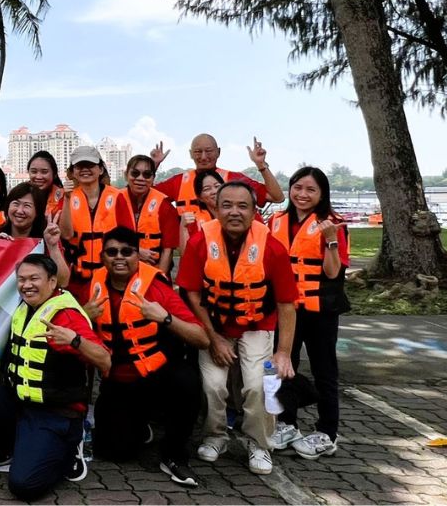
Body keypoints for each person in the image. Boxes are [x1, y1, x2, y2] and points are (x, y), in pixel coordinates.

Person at [0, 254, 110, 501]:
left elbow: (105, 360)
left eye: (34, 279)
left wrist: (75, 340)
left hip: (55, 411)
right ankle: (1, 453)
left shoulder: (67, 316)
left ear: (52, 282)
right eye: (21, 279)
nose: (26, 285)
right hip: (22, 400)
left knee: (24, 485)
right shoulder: (25, 307)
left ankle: (69, 451)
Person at [176, 181, 298, 476]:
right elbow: (191, 292)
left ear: (255, 211)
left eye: (243, 206)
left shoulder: (271, 247)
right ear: (215, 209)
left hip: (257, 324)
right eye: (227, 205)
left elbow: (286, 303)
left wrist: (284, 352)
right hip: (214, 325)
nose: (234, 212)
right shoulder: (199, 242)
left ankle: (260, 443)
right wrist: (213, 338)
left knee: (257, 385)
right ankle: (215, 436)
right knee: (213, 385)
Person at [86, 227, 209, 487]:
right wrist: (85, 316)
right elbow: (69, 331)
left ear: (137, 255)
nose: (119, 257)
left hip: (157, 376)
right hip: (119, 382)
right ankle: (141, 426)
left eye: (127, 252)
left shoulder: (156, 287)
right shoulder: (93, 287)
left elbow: (201, 338)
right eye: (112, 252)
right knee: (114, 452)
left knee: (187, 381)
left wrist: (164, 317)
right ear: (102, 256)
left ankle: (174, 454)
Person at [267, 167, 350, 460]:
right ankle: (287, 424)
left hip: (320, 311)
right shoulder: (276, 221)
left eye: (310, 190)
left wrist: (329, 239)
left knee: (324, 371)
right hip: (286, 308)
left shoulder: (334, 224)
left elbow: (333, 271)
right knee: (284, 366)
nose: (302, 194)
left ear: (322, 194)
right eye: (298, 187)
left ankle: (328, 432)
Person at [60, 146, 134, 301]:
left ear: (100, 169)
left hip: (111, 275)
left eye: (90, 165)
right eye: (80, 166)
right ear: (73, 172)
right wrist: (66, 199)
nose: (85, 170)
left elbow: (129, 238)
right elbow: (66, 235)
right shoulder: (66, 197)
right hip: (77, 277)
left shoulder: (117, 197)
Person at [151, 135, 283, 218]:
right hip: (193, 252)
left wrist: (261, 165)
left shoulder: (235, 179)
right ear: (191, 154)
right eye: (198, 152)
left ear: (218, 152)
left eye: (208, 151)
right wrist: (154, 165)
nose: (203, 157)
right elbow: (144, 197)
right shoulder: (179, 181)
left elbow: (277, 197)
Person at [0, 183, 70, 287]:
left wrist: (53, 247)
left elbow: (63, 282)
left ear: (37, 211)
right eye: (15, 204)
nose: (19, 211)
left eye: (27, 206)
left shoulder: (48, 237)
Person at [119, 155, 180, 274]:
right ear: (126, 175)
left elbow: (168, 250)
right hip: (120, 271)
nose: (140, 178)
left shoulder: (164, 205)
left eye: (147, 175)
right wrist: (135, 251)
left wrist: (160, 279)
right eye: (135, 173)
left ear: (153, 178)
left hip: (153, 270)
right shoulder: (115, 200)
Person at [178, 169, 224, 253]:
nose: (214, 191)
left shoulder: (236, 213)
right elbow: (186, 255)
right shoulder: (193, 221)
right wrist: (183, 228)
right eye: (207, 189)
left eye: (217, 186)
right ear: (200, 198)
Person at [27, 150, 67, 216]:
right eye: (34, 172)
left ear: (54, 174)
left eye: (44, 172)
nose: (38, 177)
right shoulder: (20, 195)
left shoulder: (65, 197)